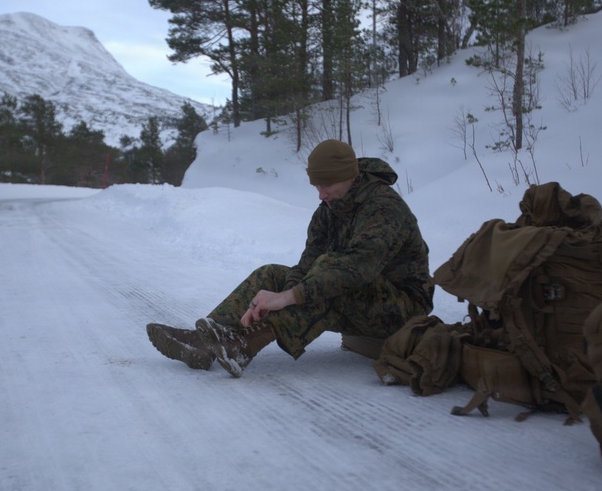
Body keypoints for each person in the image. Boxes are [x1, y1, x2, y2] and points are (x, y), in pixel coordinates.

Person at [147, 139, 434, 378]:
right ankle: (205, 341)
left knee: (327, 274)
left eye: (327, 185)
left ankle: (241, 347)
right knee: (273, 275)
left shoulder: (384, 208)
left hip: (403, 311)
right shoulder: (330, 209)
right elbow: (306, 264)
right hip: (361, 299)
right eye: (316, 186)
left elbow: (355, 270)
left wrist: (286, 299)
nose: (321, 195)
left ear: (350, 175)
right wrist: (281, 291)